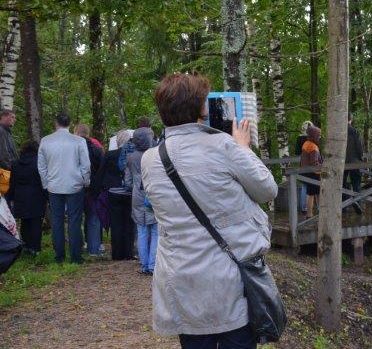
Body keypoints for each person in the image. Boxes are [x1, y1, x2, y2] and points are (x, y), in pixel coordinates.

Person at [141, 73, 277, 348]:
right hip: (226, 282)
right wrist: (243, 148)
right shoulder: (223, 146)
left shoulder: (151, 159)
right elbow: (267, 189)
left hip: (181, 281)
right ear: (201, 109)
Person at [38, 113, 91, 264]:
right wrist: (85, 181)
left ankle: (59, 256)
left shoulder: (46, 141)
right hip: (75, 184)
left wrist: (46, 183)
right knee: (75, 220)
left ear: (56, 123)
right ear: (69, 124)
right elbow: (85, 165)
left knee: (57, 220)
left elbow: (41, 166)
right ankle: (76, 256)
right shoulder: (79, 141)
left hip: (53, 185)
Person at [99, 130, 136, 261]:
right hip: (130, 193)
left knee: (116, 223)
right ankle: (128, 252)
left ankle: (117, 254)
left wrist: (99, 188)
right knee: (129, 223)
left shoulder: (109, 154)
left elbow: (101, 173)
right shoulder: (133, 154)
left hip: (113, 192)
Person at [6, 141, 47, 255]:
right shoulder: (39, 163)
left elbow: (12, 183)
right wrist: (47, 196)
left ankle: (26, 246)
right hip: (36, 196)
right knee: (36, 223)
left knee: (25, 222)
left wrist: (10, 198)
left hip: (20, 196)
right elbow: (42, 181)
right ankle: (36, 248)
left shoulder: (15, 164)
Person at [125, 127, 157, 275]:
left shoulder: (130, 157)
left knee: (142, 231)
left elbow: (128, 181)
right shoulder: (155, 155)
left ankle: (144, 265)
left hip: (137, 197)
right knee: (155, 231)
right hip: (153, 194)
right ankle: (152, 265)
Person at [74, 123, 105, 257]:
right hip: (93, 189)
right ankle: (94, 249)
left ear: (75, 133)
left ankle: (77, 248)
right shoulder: (97, 149)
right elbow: (102, 170)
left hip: (74, 188)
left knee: (75, 219)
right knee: (93, 218)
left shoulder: (72, 149)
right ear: (88, 133)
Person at [343, 113, 363, 214]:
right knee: (356, 183)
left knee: (342, 184)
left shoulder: (339, 131)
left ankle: (343, 206)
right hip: (354, 161)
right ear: (351, 119)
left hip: (342, 161)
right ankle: (357, 202)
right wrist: (360, 158)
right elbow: (359, 147)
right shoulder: (355, 131)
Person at [300, 125, 322, 218]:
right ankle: (310, 214)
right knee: (312, 194)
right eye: (318, 135)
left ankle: (320, 212)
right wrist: (322, 169)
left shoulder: (306, 143)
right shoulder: (313, 147)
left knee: (316, 193)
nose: (320, 137)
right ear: (315, 135)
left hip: (306, 172)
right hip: (313, 173)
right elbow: (314, 163)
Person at [294, 120, 314, 214]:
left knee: (304, 186)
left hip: (303, 164)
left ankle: (304, 208)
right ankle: (314, 207)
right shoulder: (314, 138)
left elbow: (297, 152)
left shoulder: (299, 138)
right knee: (314, 185)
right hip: (313, 164)